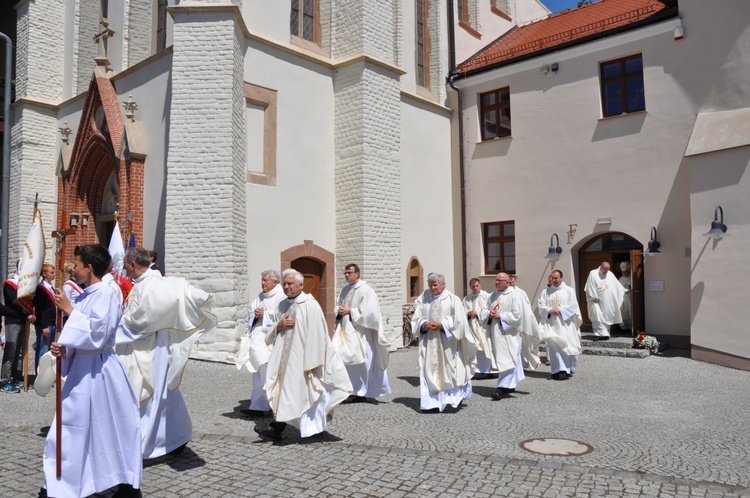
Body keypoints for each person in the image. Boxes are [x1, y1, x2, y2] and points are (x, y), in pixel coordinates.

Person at [45, 244, 142, 498]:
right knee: (72, 426)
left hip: (100, 372)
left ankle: (112, 476)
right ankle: (68, 478)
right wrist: (64, 349)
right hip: (81, 369)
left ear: (89, 268)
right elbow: (81, 332)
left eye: (76, 266)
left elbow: (98, 335)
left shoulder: (108, 293)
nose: (72, 270)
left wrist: (68, 310)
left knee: (105, 427)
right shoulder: (87, 294)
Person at [116, 247, 216, 459]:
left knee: (149, 396)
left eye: (126, 265)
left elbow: (139, 321)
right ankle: (176, 438)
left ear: (133, 264)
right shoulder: (153, 284)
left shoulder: (150, 286)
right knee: (163, 393)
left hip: (149, 351)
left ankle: (147, 444)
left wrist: (115, 324)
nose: (124, 270)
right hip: (150, 349)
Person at [255, 269, 352, 440]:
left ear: (300, 285)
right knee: (288, 391)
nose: (286, 287)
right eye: (284, 283)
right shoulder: (283, 304)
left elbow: (318, 334)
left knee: (307, 393)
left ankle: (308, 429)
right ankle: (279, 427)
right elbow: (273, 327)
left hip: (305, 359)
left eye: (290, 283)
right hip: (285, 359)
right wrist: (279, 325)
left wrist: (312, 362)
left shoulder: (310, 305)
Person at [412, 273, 476, 412]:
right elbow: (417, 317)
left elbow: (460, 321)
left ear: (443, 285)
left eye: (435, 285)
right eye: (430, 285)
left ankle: (450, 401)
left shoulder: (453, 299)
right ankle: (431, 403)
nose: (432, 288)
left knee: (449, 372)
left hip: (448, 344)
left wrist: (443, 325)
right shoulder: (425, 299)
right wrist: (423, 324)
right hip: (429, 343)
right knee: (428, 370)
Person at [332, 264, 391, 403]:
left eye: (349, 273)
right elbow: (338, 305)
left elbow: (371, 313)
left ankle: (363, 390)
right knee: (343, 358)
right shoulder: (344, 290)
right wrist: (339, 311)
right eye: (345, 273)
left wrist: (350, 312)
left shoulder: (366, 290)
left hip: (362, 333)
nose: (347, 275)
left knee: (364, 362)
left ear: (357, 274)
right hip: (345, 332)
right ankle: (351, 389)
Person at [231, 270, 286, 416]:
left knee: (268, 372)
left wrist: (266, 314)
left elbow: (283, 315)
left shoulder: (282, 296)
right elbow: (251, 313)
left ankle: (275, 404)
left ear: (275, 282)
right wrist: (255, 315)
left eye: (266, 280)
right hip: (256, 340)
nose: (262, 283)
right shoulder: (260, 296)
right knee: (257, 374)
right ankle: (258, 406)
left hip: (268, 341)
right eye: (262, 280)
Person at [479, 272, 535, 400]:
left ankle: (502, 389)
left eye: (500, 280)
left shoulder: (515, 296)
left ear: (507, 282)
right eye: (496, 280)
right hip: (496, 333)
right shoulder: (492, 295)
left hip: (510, 335)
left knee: (508, 359)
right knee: (505, 359)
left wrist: (501, 316)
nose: (497, 282)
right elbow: (483, 311)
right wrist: (489, 313)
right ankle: (509, 386)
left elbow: (518, 316)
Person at [538, 270, 582, 380]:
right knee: (553, 347)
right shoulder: (546, 292)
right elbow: (541, 305)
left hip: (565, 325)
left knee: (566, 346)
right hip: (551, 324)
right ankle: (557, 370)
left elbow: (573, 307)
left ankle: (567, 369)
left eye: (556, 278)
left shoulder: (568, 291)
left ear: (561, 278)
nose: (553, 280)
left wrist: (561, 310)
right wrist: (548, 310)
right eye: (552, 278)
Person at [0, 262, 35, 393]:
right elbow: (15, 300)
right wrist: (27, 312)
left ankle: (16, 376)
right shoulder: (10, 283)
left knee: (20, 351)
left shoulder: (27, 285)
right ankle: (5, 379)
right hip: (13, 320)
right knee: (11, 351)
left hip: (23, 320)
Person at [463, 277, 496, 377]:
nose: (475, 288)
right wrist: (468, 313)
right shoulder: (466, 299)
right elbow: (462, 311)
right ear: (470, 287)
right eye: (473, 286)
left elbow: (490, 309)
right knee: (475, 348)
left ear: (480, 285)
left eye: (477, 286)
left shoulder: (487, 296)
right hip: (472, 327)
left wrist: (477, 313)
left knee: (487, 346)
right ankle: (477, 370)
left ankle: (490, 370)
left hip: (484, 326)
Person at [584, 262, 626, 340]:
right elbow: (590, 286)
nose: (606, 271)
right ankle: (599, 334)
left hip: (607, 300)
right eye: (605, 270)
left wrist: (624, 290)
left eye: (607, 269)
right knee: (597, 316)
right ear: (601, 267)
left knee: (607, 316)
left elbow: (616, 284)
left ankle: (606, 333)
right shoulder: (593, 273)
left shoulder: (610, 274)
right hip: (596, 300)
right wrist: (593, 297)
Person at [33, 264, 57, 372]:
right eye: (52, 272)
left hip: (51, 323)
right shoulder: (41, 289)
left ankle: (46, 374)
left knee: (49, 352)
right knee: (43, 351)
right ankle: (40, 374)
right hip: (45, 325)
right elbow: (39, 309)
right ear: (44, 274)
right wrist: (44, 326)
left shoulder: (51, 288)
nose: (54, 274)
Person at [618, 262, 632, 333]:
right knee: (622, 311)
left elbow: (630, 288)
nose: (624, 274)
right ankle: (623, 327)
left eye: (625, 272)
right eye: (623, 272)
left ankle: (630, 326)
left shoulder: (630, 278)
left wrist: (628, 289)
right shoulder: (620, 279)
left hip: (629, 296)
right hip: (622, 297)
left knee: (629, 311)